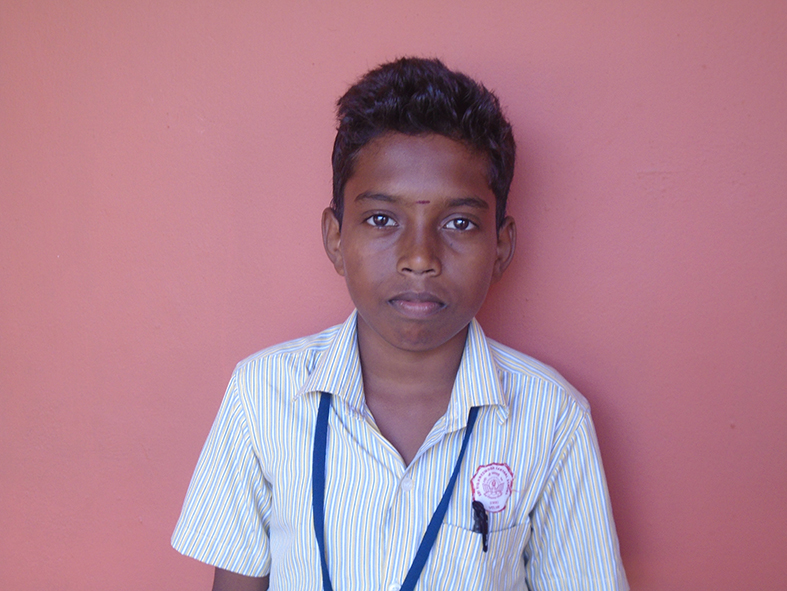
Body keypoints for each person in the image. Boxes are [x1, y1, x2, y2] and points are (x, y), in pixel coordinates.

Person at [172, 57, 629, 591]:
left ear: (501, 247)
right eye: (382, 219)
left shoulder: (551, 419)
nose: (419, 258)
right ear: (335, 239)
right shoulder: (263, 394)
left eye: (459, 223)